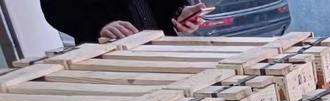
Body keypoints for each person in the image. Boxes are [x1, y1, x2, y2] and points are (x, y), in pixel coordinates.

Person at [39, 0, 214, 44]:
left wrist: (179, 10)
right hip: (111, 59)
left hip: (165, 49)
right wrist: (99, 26)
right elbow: (56, 10)